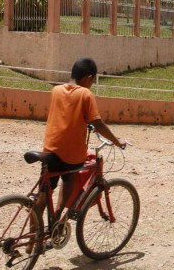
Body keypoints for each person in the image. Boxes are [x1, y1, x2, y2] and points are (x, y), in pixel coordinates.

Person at [35, 57, 126, 222]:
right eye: (92, 81)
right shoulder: (85, 94)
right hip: (70, 155)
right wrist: (117, 141)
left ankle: (34, 241)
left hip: (49, 150)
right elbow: (97, 123)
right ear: (88, 77)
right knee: (71, 176)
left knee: (43, 194)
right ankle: (58, 216)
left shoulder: (56, 90)